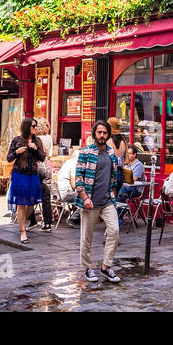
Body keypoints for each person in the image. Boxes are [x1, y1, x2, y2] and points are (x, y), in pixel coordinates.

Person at [74, 120, 123, 283]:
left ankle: (106, 267)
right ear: (94, 133)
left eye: (105, 133)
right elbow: (78, 178)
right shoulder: (86, 152)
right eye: (99, 132)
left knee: (114, 231)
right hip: (90, 202)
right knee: (86, 237)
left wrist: (113, 196)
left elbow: (114, 178)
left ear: (108, 134)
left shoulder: (111, 154)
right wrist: (85, 198)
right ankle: (88, 268)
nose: (102, 135)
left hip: (108, 201)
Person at [7, 117, 46, 244]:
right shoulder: (17, 140)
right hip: (19, 174)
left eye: (36, 126)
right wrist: (17, 152)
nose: (35, 128)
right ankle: (23, 231)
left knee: (31, 202)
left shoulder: (37, 141)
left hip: (33, 174)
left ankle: (24, 221)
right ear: (27, 127)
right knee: (20, 203)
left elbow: (43, 158)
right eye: (33, 126)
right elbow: (9, 158)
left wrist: (35, 149)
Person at [57, 146, 79, 226]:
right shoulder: (74, 164)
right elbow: (74, 185)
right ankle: (74, 218)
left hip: (61, 193)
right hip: (66, 194)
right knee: (85, 197)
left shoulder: (69, 162)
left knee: (82, 196)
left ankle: (74, 217)